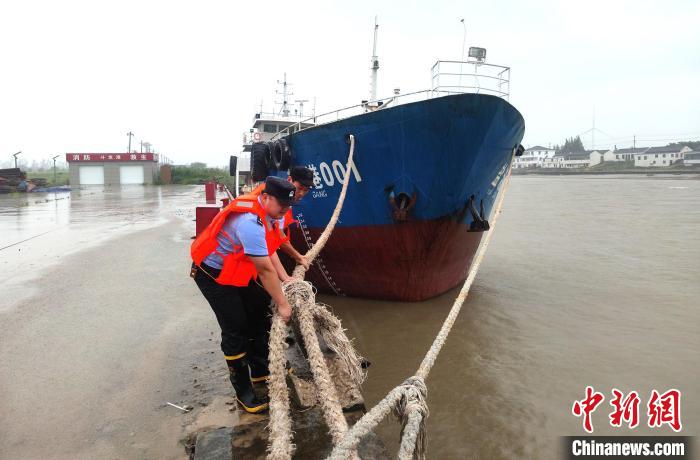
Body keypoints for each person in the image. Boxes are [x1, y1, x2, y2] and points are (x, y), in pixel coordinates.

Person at [190, 176, 296, 413]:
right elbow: (264, 269)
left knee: (258, 314)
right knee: (235, 328)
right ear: (266, 197)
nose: (285, 211)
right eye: (282, 205)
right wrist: (283, 304)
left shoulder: (272, 215)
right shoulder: (250, 222)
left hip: (235, 271)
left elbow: (269, 252)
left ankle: (259, 371)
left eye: (289, 206)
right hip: (212, 274)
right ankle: (244, 393)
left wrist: (285, 280)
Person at [247, 166, 315, 269]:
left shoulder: (286, 198)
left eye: (306, 190)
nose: (301, 193)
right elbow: (276, 236)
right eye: (300, 188)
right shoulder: (272, 198)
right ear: (289, 180)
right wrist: (298, 257)